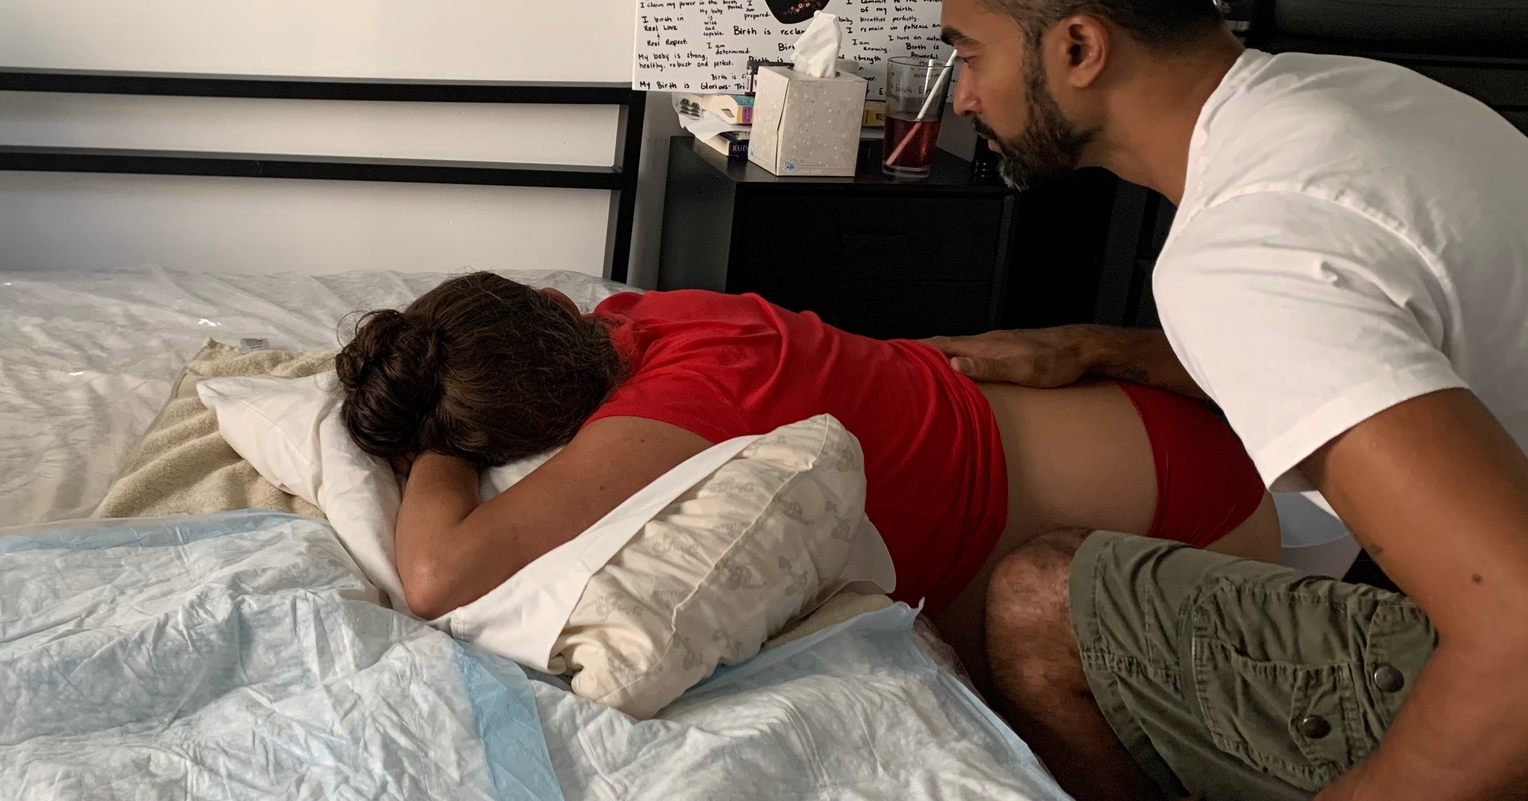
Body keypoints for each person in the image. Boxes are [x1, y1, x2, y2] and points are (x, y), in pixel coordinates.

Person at [929, 0, 1528, 801]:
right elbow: (1378, 330)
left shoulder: (1236, 253)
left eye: (969, 53)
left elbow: (1522, 634)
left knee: (1039, 600)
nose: (964, 97)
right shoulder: (1356, 99)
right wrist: (1115, 350)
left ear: (1077, 48)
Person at [333, 272, 1275, 685]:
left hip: (1192, 514)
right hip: (1138, 426)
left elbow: (437, 576)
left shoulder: (667, 412)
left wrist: (440, 446)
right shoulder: (637, 315)